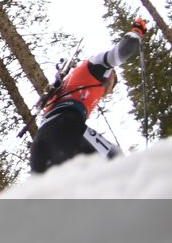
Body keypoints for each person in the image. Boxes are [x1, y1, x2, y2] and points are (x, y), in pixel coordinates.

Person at [30, 18, 148, 174]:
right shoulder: (96, 66)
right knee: (118, 160)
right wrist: (137, 31)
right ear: (110, 74)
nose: (107, 92)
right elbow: (123, 50)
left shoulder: (70, 86)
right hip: (64, 127)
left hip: (40, 147)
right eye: (111, 86)